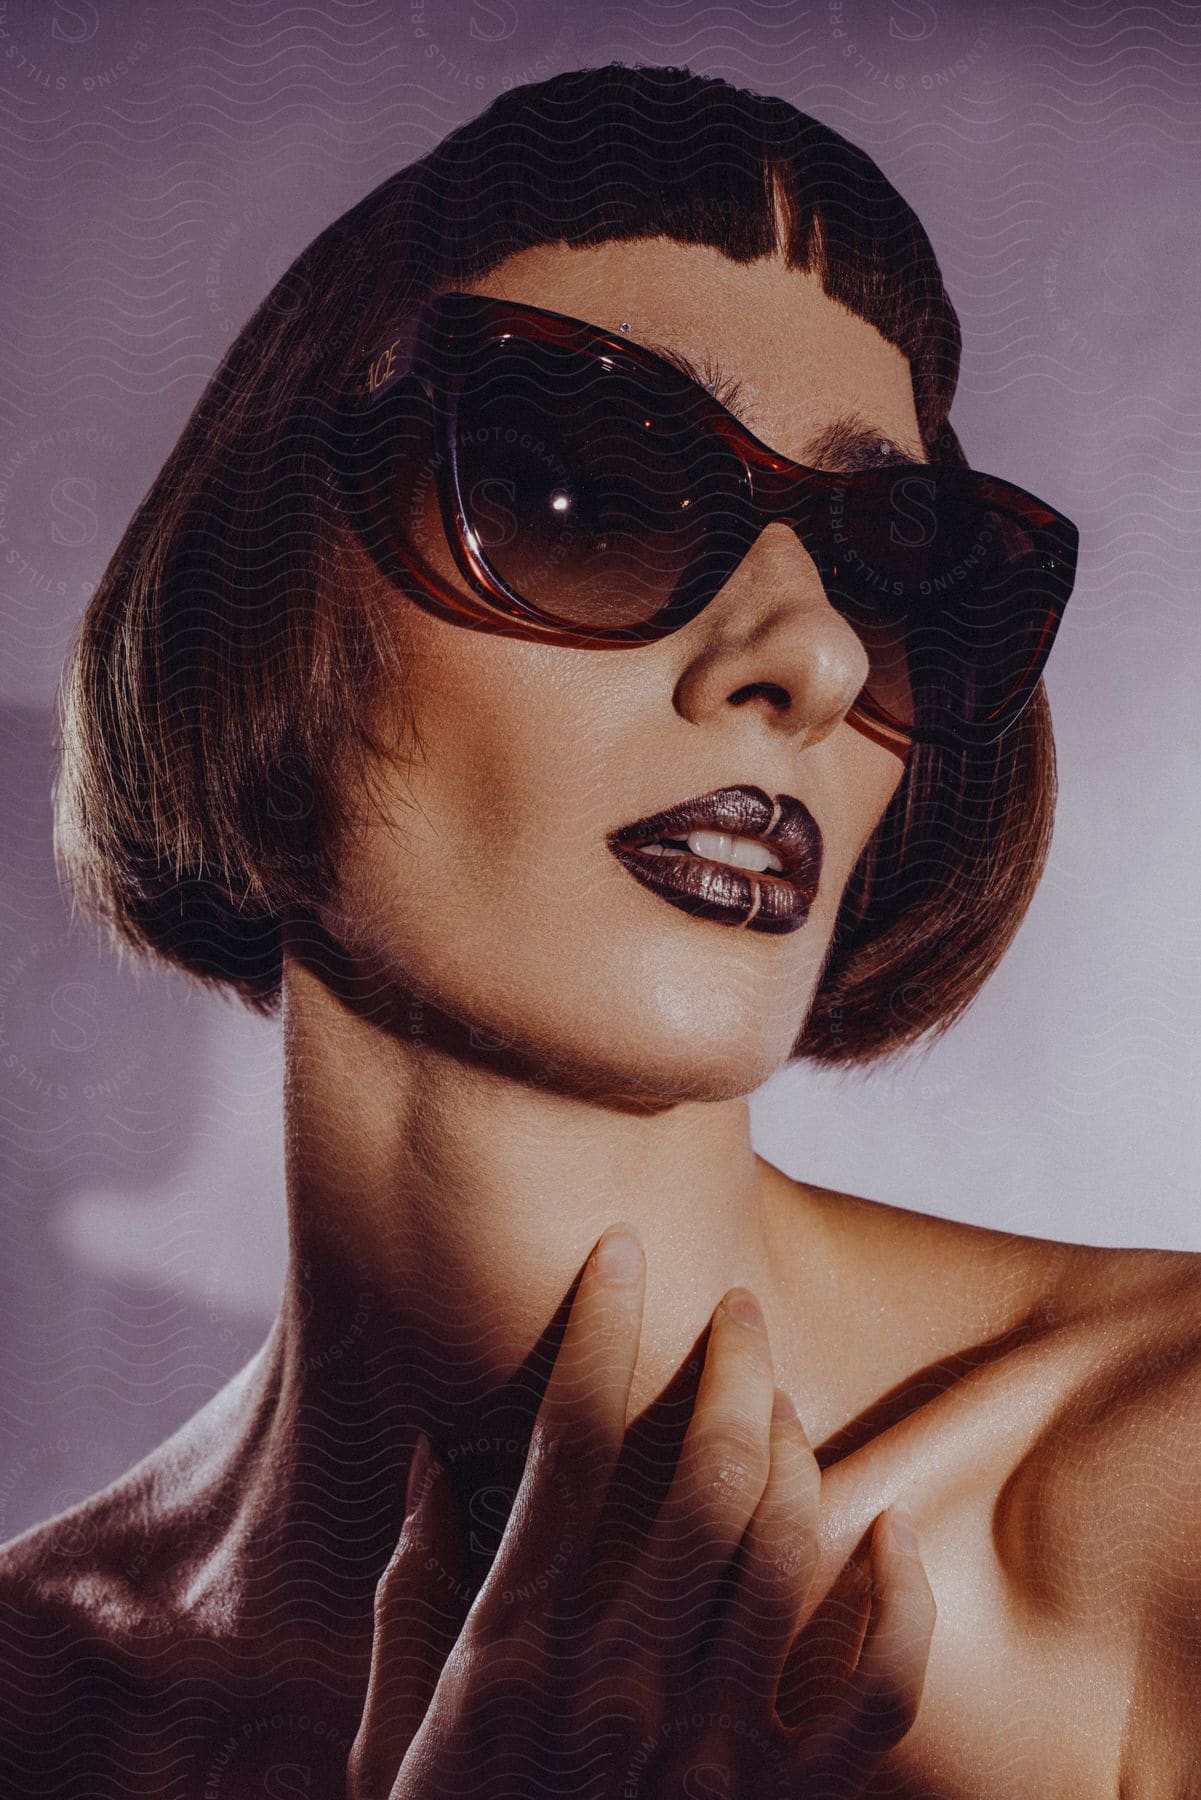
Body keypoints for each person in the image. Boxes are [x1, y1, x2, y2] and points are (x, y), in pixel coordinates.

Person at [0, 61, 1195, 1798]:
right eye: (589, 494)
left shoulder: (1148, 1501)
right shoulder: (42, 1696)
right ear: (254, 595)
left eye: (886, 560)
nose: (813, 654)